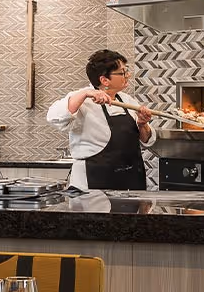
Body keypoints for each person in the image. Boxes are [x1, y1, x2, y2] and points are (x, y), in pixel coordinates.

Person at [47, 49, 154, 191]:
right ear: (104, 80)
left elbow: (147, 140)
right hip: (93, 185)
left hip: (130, 183)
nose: (128, 75)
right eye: (122, 72)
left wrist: (142, 124)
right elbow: (54, 117)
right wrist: (85, 93)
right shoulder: (82, 99)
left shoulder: (128, 101)